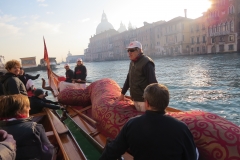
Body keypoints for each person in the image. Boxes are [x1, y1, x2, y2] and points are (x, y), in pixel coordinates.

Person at [100, 83, 197, 160]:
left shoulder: (132, 124)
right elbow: (191, 156)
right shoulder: (181, 128)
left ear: (146, 103)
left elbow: (112, 151)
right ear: (166, 103)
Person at [0, 94, 55, 160]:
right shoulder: (35, 128)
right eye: (27, 106)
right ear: (19, 111)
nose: (30, 108)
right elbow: (48, 151)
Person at [118, 41, 158, 112]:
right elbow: (128, 79)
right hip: (135, 99)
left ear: (139, 50)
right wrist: (122, 94)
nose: (129, 53)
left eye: (132, 50)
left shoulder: (147, 63)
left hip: (144, 101)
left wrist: (151, 102)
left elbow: (153, 84)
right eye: (128, 50)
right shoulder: (132, 62)